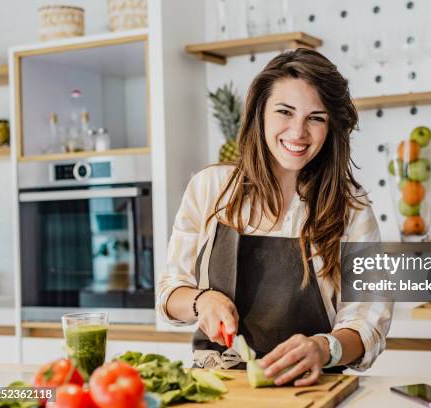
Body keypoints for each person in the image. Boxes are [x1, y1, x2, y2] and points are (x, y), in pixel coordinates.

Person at [156, 48, 392, 386]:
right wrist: (201, 300)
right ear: (260, 114)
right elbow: (170, 292)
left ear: (331, 129)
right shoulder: (210, 188)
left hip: (311, 389)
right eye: (285, 112)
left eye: (316, 117)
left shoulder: (351, 208)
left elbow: (367, 323)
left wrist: (325, 349)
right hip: (219, 388)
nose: (298, 133)